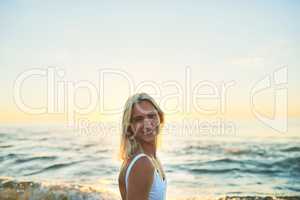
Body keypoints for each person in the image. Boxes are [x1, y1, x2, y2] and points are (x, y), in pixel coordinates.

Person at [118, 93, 167, 200]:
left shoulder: (151, 158)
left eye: (151, 116)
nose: (147, 124)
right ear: (130, 127)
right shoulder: (142, 163)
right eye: (138, 119)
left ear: (160, 118)